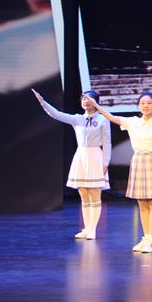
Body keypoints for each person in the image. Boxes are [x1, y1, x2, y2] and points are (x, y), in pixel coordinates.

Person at [83, 92, 152, 253]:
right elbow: (111, 117)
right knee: (142, 203)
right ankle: (145, 238)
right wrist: (95, 105)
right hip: (138, 161)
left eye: (149, 103)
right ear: (139, 105)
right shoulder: (132, 122)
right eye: (143, 103)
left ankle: (150, 240)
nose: (145, 106)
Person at [32, 89, 111, 240]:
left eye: (89, 99)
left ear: (95, 102)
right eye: (83, 99)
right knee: (84, 195)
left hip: (96, 157)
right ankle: (87, 228)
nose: (85, 101)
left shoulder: (103, 120)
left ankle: (92, 229)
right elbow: (57, 114)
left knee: (95, 195)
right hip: (81, 156)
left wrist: (106, 162)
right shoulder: (77, 119)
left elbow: (107, 143)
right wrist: (43, 102)